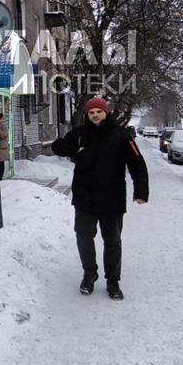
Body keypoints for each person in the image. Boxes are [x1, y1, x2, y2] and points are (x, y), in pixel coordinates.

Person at [50, 97, 149, 300]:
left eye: (98, 111)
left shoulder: (121, 135)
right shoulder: (79, 133)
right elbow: (57, 145)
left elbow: (137, 163)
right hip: (84, 197)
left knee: (112, 241)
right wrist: (74, 150)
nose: (95, 115)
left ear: (106, 112)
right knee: (83, 237)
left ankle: (113, 281)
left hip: (112, 198)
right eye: (91, 112)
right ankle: (89, 274)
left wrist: (141, 192)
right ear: (88, 115)